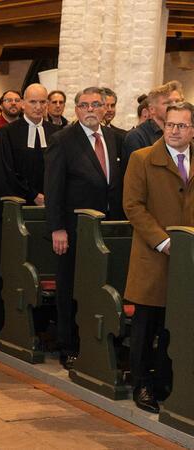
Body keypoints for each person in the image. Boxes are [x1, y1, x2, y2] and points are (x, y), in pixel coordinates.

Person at [44, 86, 125, 370]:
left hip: (107, 227)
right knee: (70, 287)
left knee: (101, 285)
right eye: (84, 105)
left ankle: (100, 341)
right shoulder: (63, 140)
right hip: (73, 228)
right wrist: (57, 228)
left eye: (96, 105)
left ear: (105, 109)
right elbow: (53, 188)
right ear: (76, 110)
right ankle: (69, 345)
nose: (90, 109)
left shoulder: (116, 139)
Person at [122, 102, 194, 413]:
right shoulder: (142, 159)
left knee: (174, 324)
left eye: (182, 126)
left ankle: (166, 381)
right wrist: (163, 241)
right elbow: (133, 206)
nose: (175, 131)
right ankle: (141, 384)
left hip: (187, 257)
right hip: (154, 255)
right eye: (170, 125)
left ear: (192, 130)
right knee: (145, 326)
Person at [0, 83, 61, 332]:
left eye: (42, 102)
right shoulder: (8, 134)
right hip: (17, 211)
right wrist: (32, 194)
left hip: (48, 210)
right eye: (33, 102)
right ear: (24, 103)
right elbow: (5, 171)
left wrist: (51, 195)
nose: (38, 107)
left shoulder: (56, 133)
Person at [123, 82, 184, 162]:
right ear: (152, 109)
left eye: (178, 101)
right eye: (168, 103)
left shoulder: (185, 132)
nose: (175, 106)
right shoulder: (137, 136)